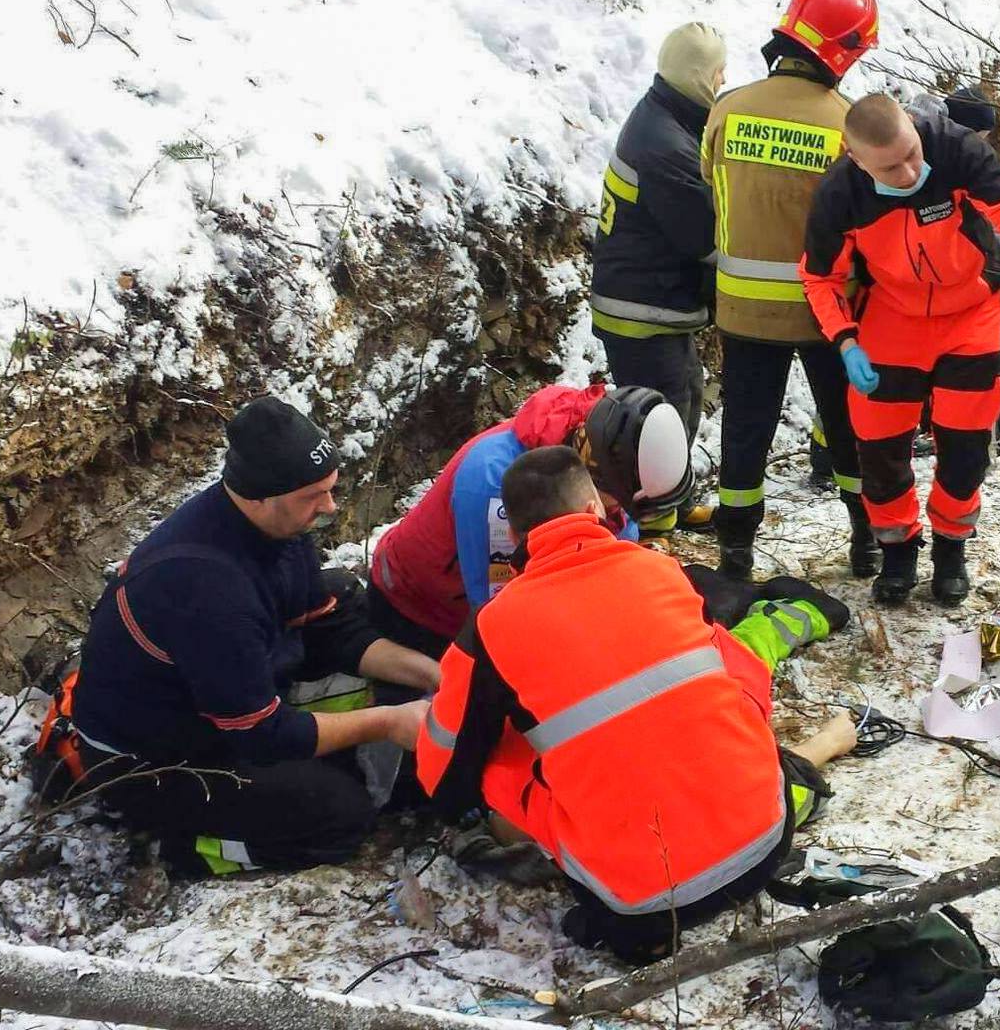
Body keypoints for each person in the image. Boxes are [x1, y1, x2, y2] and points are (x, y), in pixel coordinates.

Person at [416, 446, 849, 963]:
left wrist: (463, 805)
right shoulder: (664, 573)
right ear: (596, 509)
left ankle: (625, 901)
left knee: (493, 755)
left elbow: (445, 772)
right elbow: (743, 684)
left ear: (514, 537)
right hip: (766, 844)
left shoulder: (491, 628)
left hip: (637, 904)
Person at [54, 398, 435, 876]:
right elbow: (263, 736)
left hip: (218, 695)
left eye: (330, 490)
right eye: (314, 496)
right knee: (340, 815)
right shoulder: (208, 590)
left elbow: (327, 627)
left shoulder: (278, 525)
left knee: (358, 618)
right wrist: (385, 723)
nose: (330, 506)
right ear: (258, 495)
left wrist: (432, 672)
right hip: (154, 763)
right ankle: (191, 851)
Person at [802, 94, 1000, 605]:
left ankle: (950, 551)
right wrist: (845, 339)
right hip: (892, 321)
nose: (909, 170)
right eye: (891, 167)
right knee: (878, 448)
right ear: (857, 159)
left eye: (912, 154)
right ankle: (897, 552)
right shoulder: (840, 194)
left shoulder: (955, 149)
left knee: (964, 449)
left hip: (969, 316)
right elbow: (819, 277)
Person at [703, 0, 878, 583]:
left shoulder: (727, 109)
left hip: (742, 311)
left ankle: (735, 552)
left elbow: (713, 193)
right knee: (846, 426)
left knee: (745, 431)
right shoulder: (848, 126)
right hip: (826, 313)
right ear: (843, 52)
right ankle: (866, 538)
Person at [367, 384, 691, 650]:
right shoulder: (498, 489)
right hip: (417, 611)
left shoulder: (600, 443)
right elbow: (503, 612)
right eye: (617, 505)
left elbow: (618, 539)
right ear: (596, 480)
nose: (618, 515)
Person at [588, 23, 728, 535]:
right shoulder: (666, 145)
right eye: (718, 73)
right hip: (642, 309)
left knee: (684, 394)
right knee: (653, 419)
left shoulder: (667, 115)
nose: (723, 81)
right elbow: (706, 239)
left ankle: (671, 495)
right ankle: (649, 521)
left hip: (649, 301)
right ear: (699, 77)